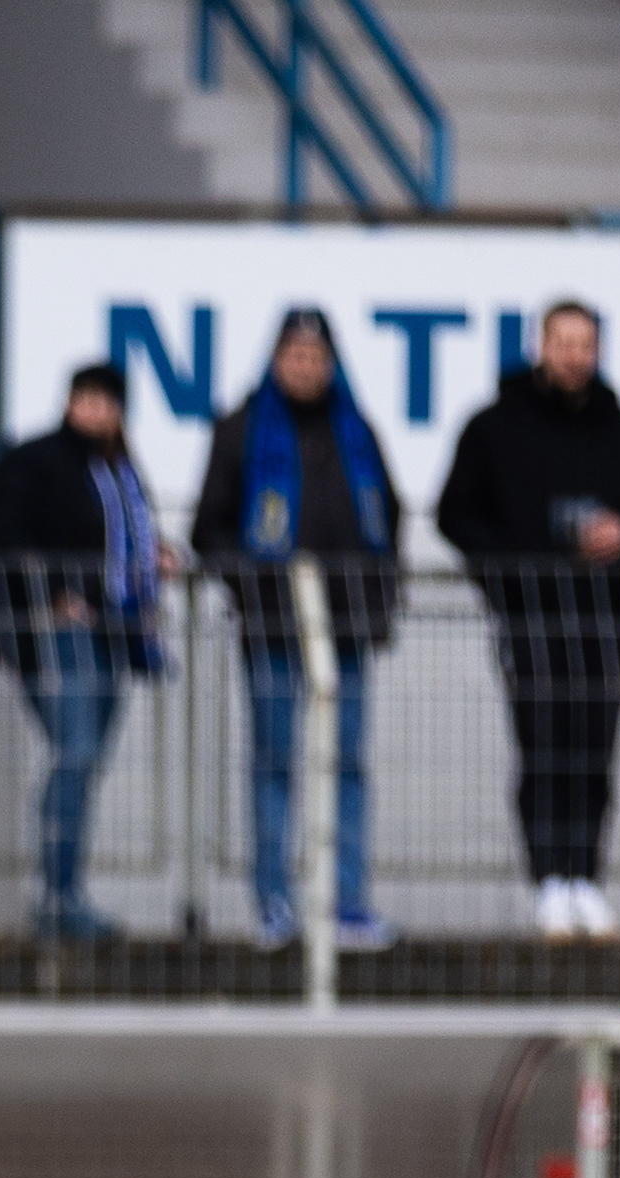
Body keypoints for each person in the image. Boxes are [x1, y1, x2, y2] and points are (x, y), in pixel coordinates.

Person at [438, 300, 620, 941]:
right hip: (531, 618)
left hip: (603, 618)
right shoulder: (493, 427)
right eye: (563, 342)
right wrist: (511, 569)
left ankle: (586, 877)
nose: (574, 356)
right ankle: (548, 883)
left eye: (585, 344)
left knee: (596, 749)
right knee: (542, 747)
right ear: (542, 345)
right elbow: (458, 515)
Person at [193, 308, 403, 951]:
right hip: (273, 631)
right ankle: (275, 903)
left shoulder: (356, 430)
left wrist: (381, 595)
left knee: (346, 767)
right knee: (276, 764)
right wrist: (255, 586)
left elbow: (387, 520)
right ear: (275, 360)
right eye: (294, 355)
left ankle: (346, 903)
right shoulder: (240, 431)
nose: (306, 367)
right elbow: (211, 530)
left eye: (316, 356)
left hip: (348, 629)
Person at [0, 363, 171, 942]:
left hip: (115, 631)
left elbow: (125, 540)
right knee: (76, 752)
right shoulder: (36, 459)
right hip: (57, 632)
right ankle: (56, 896)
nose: (95, 410)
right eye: (85, 398)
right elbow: (6, 534)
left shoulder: (120, 468)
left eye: (106, 401)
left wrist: (154, 561)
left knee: (84, 762)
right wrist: (50, 595)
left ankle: (67, 892)